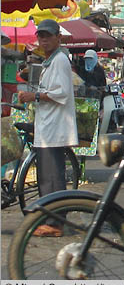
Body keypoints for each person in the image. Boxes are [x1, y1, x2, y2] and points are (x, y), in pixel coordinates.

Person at [17, 19, 78, 237]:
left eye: (48, 36)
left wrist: (34, 95)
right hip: (47, 126)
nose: (43, 40)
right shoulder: (49, 61)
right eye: (40, 36)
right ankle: (49, 219)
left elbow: (60, 92)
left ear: (58, 37)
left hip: (55, 128)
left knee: (53, 179)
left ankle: (56, 223)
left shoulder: (60, 59)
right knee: (46, 178)